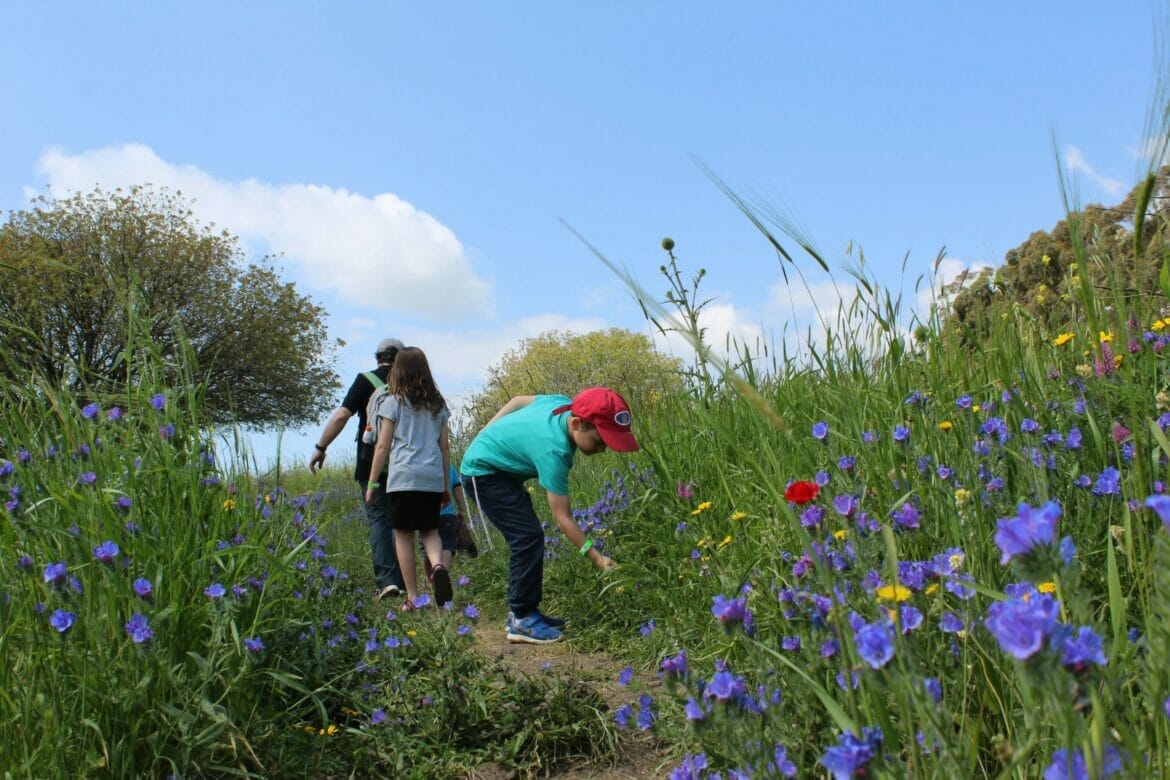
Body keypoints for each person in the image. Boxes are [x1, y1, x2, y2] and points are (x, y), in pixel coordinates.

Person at [459, 387, 639, 644]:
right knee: (527, 537)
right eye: (600, 442)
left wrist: (485, 431)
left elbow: (518, 400)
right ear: (577, 424)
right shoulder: (554, 452)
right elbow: (563, 519)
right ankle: (521, 618)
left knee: (529, 535)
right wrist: (596, 557)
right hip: (483, 473)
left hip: (502, 471)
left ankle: (525, 612)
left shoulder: (563, 405)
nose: (602, 450)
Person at [310, 338, 406, 600]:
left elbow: (342, 415)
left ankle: (388, 581)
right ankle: (408, 582)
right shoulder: (409, 383)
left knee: (378, 519)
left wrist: (321, 446)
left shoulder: (365, 380)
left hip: (369, 459)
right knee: (402, 521)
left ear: (378, 357)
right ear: (400, 358)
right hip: (405, 461)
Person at [364, 347, 453, 611]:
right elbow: (444, 448)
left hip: (403, 477)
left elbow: (382, 446)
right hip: (431, 478)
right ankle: (437, 565)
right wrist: (445, 485)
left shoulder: (392, 403)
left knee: (403, 536)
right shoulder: (438, 407)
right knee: (430, 531)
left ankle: (412, 598)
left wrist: (371, 484)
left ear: (397, 372)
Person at [422, 465, 474, 584]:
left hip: (426, 516)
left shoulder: (421, 466)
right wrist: (462, 510)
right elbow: (457, 489)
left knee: (425, 551)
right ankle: (443, 571)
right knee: (447, 547)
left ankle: (433, 583)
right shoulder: (449, 467)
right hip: (448, 516)